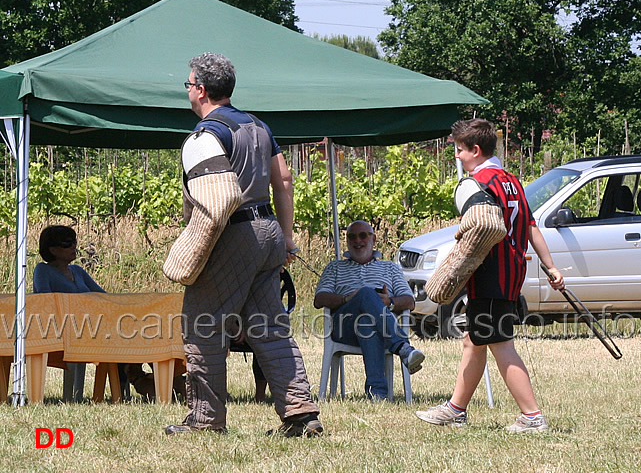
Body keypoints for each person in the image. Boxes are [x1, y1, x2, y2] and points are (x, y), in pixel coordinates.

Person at [165, 53, 321, 436]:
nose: (188, 91)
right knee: (270, 328)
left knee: (203, 325)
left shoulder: (206, 135)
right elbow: (282, 181)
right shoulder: (258, 126)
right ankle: (301, 414)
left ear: (200, 89)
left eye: (188, 85)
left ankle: (204, 421)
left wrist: (194, 247)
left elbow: (216, 204)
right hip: (268, 229)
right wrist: (286, 236)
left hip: (232, 234)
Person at [415, 118, 564, 432]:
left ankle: (532, 417)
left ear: (476, 150)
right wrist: (550, 266)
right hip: (510, 274)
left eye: (459, 150)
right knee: (474, 341)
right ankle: (455, 409)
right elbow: (532, 227)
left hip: (490, 275)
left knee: (500, 344)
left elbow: (482, 229)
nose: (456, 156)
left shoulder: (479, 183)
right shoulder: (510, 180)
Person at [314, 220, 425, 400]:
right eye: (352, 236)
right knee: (366, 293)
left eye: (363, 235)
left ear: (373, 239)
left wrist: (389, 302)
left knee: (367, 323)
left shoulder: (390, 268)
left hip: (379, 328)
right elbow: (319, 299)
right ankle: (402, 347)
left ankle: (377, 394)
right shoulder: (335, 267)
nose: (357, 240)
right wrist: (347, 298)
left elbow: (409, 301)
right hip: (344, 327)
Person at [33, 225, 129, 402]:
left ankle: (135, 381)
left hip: (89, 328)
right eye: (67, 243)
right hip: (57, 330)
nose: (73, 246)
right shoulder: (42, 270)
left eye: (74, 242)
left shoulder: (77, 271)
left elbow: (101, 296)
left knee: (129, 332)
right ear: (52, 249)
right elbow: (43, 301)